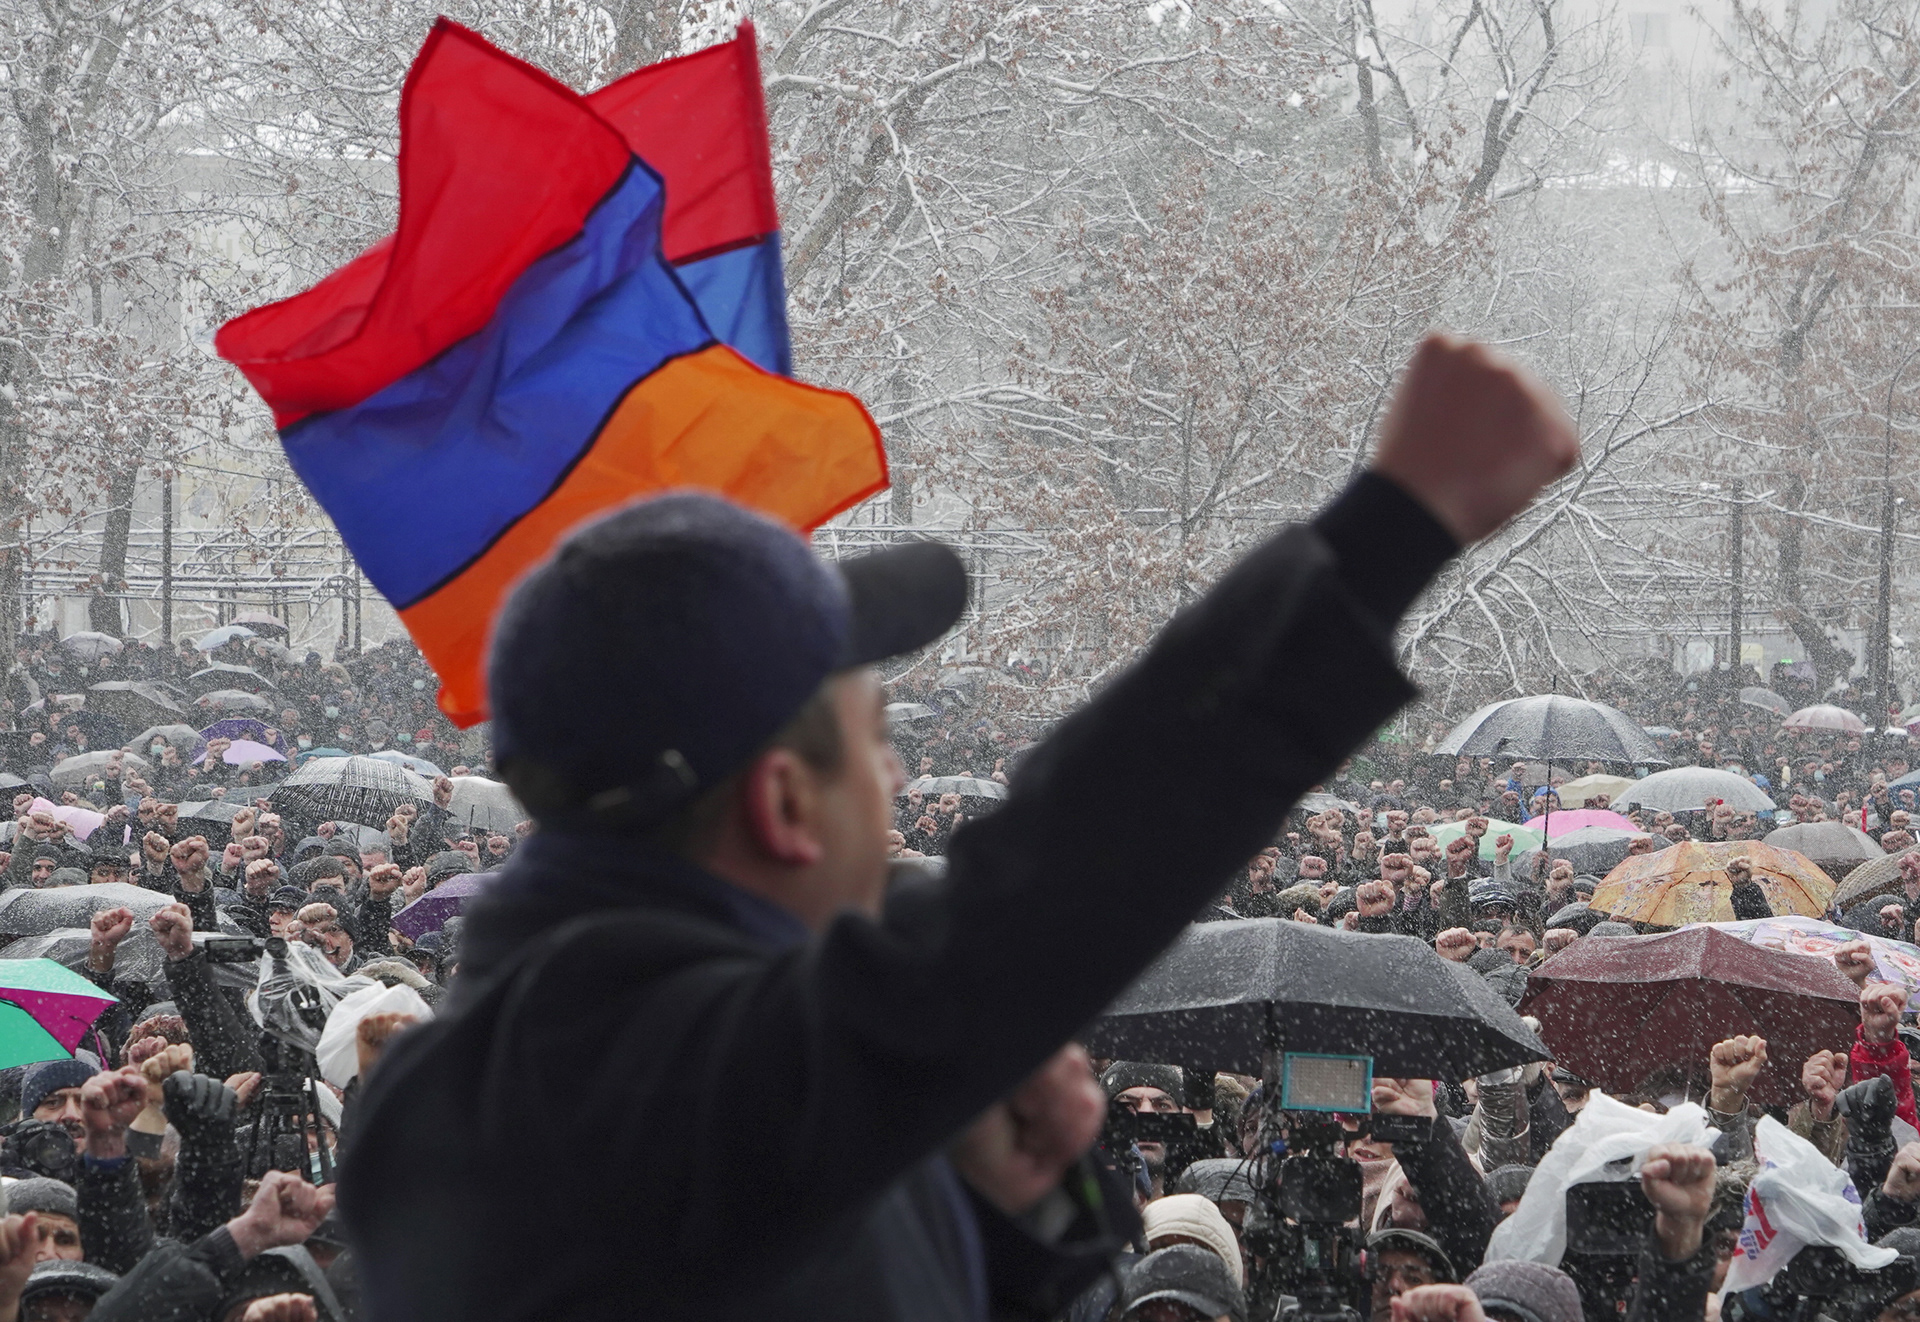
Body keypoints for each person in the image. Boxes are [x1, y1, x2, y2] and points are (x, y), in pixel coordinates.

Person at [337, 334, 1579, 1321]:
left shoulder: (559, 1082)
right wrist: (1389, 530)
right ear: (782, 804)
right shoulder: (609, 1081)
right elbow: (1056, 871)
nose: (903, 790)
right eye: (874, 742)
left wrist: (1005, 1214)